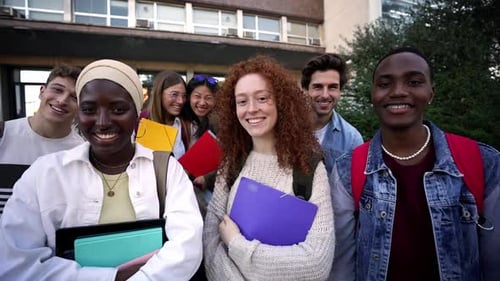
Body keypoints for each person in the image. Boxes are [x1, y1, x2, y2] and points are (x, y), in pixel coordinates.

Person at [0, 59, 203, 281]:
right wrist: (111, 277)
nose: (103, 122)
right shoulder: (43, 174)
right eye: (89, 109)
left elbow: (186, 245)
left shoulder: (166, 169)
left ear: (136, 113)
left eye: (118, 109)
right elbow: (16, 261)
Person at [329, 47, 500, 281]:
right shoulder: (348, 169)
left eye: (414, 82)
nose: (398, 91)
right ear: (373, 94)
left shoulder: (482, 162)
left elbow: (494, 264)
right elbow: (341, 266)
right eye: (385, 83)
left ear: (431, 93)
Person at [203, 55, 335, 280]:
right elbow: (211, 243)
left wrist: (236, 244)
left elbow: (316, 265)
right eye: (242, 101)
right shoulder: (231, 164)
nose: (251, 109)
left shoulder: (308, 168)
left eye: (262, 98)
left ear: (281, 102)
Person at [0, 64, 84, 214]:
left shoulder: (81, 152)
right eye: (57, 90)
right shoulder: (3, 134)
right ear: (41, 91)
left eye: (74, 97)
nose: (62, 100)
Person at [301, 53, 363, 175]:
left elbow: (350, 190)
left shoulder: (352, 140)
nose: (325, 95)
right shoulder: (285, 128)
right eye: (318, 87)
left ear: (340, 91)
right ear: (305, 90)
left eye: (332, 87)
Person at [148, 70, 188, 159]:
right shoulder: (141, 122)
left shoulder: (185, 126)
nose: (181, 101)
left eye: (184, 96)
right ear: (159, 94)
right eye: (174, 94)